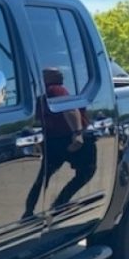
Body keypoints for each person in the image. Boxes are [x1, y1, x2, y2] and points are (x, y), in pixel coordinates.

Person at [23, 68, 96, 218]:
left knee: (43, 177)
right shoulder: (57, 90)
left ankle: (30, 210)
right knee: (87, 170)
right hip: (67, 138)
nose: (60, 74)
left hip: (52, 141)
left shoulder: (42, 97)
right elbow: (69, 109)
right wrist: (77, 133)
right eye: (54, 73)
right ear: (46, 78)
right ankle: (60, 203)